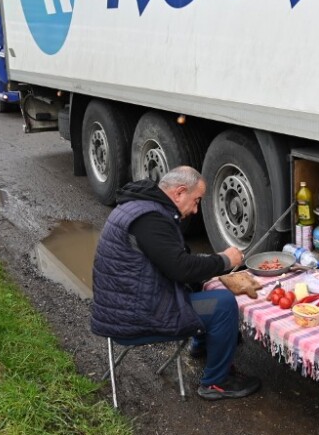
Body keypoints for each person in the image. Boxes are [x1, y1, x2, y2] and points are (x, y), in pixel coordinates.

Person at [91, 166, 261, 400]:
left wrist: (205, 266)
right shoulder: (150, 219)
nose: (195, 209)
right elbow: (179, 268)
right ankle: (217, 382)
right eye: (197, 200)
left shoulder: (142, 206)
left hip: (127, 305)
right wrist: (224, 260)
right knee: (222, 303)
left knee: (202, 283)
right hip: (135, 317)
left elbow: (174, 261)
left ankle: (201, 344)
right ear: (180, 192)